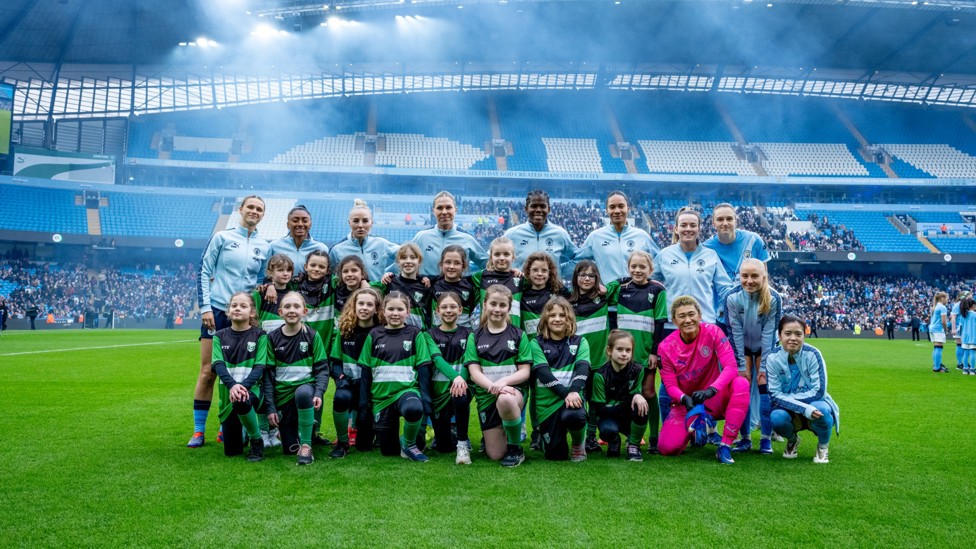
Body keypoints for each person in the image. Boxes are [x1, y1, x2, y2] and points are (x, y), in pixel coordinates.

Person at [189, 195, 270, 448]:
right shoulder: (222, 237)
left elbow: (261, 280)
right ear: (240, 209)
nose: (254, 211)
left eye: (259, 209)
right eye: (250, 207)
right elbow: (204, 271)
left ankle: (229, 426)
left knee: (242, 372)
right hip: (218, 309)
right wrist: (205, 308)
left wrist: (263, 292)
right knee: (208, 370)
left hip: (246, 315)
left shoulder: (264, 246)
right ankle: (199, 431)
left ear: (263, 215)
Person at [651, 207, 733, 424]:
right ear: (676, 228)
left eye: (692, 225)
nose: (688, 229)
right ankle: (669, 426)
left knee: (706, 378)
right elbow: (651, 283)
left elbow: (725, 288)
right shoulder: (665, 255)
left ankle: (707, 427)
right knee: (668, 382)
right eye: (684, 225)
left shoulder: (710, 256)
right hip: (672, 327)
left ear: (699, 228)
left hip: (705, 326)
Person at [657, 295, 750, 464]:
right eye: (682, 316)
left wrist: (711, 390)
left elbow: (731, 367)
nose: (688, 320)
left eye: (691, 314)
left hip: (714, 398)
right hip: (688, 404)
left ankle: (725, 445)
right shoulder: (665, 347)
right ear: (674, 321)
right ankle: (697, 426)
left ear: (700, 315)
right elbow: (669, 385)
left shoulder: (713, 332)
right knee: (667, 448)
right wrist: (684, 398)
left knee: (741, 384)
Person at [358, 292, 434, 462]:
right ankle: (401, 440)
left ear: (408, 312)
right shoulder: (374, 334)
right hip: (382, 398)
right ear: (383, 311)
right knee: (389, 451)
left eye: (400, 309)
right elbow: (365, 371)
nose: (395, 313)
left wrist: (426, 398)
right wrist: (364, 402)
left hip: (406, 391)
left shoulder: (415, 333)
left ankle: (409, 444)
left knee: (413, 408)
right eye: (391, 309)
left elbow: (423, 368)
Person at [463, 285, 534, 467]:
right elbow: (474, 372)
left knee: (505, 400)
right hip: (487, 394)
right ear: (485, 304)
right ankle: (505, 427)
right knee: (495, 455)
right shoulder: (475, 336)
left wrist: (503, 383)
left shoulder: (518, 335)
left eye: (502, 305)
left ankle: (515, 448)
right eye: (493, 304)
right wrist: (492, 387)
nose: (497, 309)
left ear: (509, 308)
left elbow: (525, 371)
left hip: (513, 392)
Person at [724, 258, 783, 453]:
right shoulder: (732, 297)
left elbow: (769, 334)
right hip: (742, 349)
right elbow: (735, 333)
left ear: (764, 277)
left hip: (764, 348)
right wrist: (742, 365)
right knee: (742, 388)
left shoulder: (773, 298)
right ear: (739, 276)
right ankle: (745, 438)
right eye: (745, 276)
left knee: (764, 387)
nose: (749, 281)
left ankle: (766, 439)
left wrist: (764, 367)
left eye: (754, 276)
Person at [264, 292, 329, 465]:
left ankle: (307, 446)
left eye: (296, 306)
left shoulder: (313, 336)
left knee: (302, 393)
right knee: (290, 449)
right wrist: (271, 407)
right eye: (287, 306)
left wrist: (319, 392)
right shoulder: (271, 338)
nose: (292, 310)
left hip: (305, 390)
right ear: (280, 312)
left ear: (304, 311)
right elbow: (268, 376)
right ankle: (304, 427)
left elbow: (322, 369)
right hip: (283, 397)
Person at [765, 315, 840, 464]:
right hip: (790, 407)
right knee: (777, 417)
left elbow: (819, 391)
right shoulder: (772, 358)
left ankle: (822, 446)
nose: (793, 338)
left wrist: (794, 401)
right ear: (779, 335)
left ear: (804, 336)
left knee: (822, 410)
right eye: (788, 333)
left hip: (814, 402)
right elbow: (774, 395)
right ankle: (793, 440)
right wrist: (804, 409)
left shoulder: (813, 354)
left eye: (798, 334)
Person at [210, 291, 269, 461]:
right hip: (228, 393)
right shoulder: (219, 336)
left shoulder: (260, 335)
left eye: (243, 306)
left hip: (252, 390)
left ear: (252, 312)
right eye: (234, 305)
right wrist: (233, 386)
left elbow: (260, 366)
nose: (237, 308)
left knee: (242, 400)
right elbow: (218, 365)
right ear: (228, 311)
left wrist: (242, 387)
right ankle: (244, 429)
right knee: (232, 451)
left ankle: (256, 441)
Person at [529, 298, 590, 462]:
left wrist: (574, 391)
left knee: (576, 416)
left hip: (572, 400)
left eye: (562, 315)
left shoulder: (580, 341)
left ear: (569, 318)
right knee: (556, 456)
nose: (557, 319)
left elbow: (583, 370)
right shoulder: (536, 343)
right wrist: (566, 393)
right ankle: (547, 438)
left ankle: (578, 444)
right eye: (552, 315)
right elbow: (543, 374)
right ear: (545, 319)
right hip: (547, 406)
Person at [329, 288, 383, 458]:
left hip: (372, 388)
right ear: (354, 306)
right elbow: (335, 362)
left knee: (364, 446)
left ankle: (375, 431)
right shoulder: (345, 330)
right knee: (340, 398)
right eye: (361, 303)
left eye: (369, 304)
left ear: (377, 309)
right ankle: (342, 442)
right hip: (350, 384)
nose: (364, 308)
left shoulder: (381, 332)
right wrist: (340, 378)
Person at [703, 203, 770, 329]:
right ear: (713, 223)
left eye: (729, 218)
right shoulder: (706, 248)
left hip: (753, 313)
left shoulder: (753, 240)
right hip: (722, 316)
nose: (725, 223)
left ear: (736, 221)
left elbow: (764, 278)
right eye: (720, 219)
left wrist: (764, 307)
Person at [425, 291, 474, 464]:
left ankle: (463, 443)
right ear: (437, 311)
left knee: (460, 395)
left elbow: (469, 360)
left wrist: (461, 380)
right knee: (444, 447)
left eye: (453, 307)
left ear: (460, 310)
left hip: (462, 386)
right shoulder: (429, 334)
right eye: (444, 307)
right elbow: (437, 360)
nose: (448, 310)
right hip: (439, 391)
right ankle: (449, 436)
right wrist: (456, 378)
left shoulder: (469, 334)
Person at [575, 191, 659, 282]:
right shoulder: (595, 237)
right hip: (608, 290)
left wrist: (647, 282)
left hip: (637, 291)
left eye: (621, 206)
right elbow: (576, 263)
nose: (617, 211)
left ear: (628, 209)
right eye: (612, 207)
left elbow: (659, 263)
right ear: (607, 211)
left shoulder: (642, 236)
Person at [591, 330, 649, 462]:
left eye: (628, 350)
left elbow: (635, 391)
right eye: (619, 349)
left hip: (627, 414)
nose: (624, 354)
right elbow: (600, 409)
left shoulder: (638, 370)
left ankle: (633, 445)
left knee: (642, 405)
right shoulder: (600, 375)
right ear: (609, 351)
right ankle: (614, 440)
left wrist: (638, 395)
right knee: (607, 430)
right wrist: (627, 403)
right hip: (609, 416)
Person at [504, 189, 578, 280]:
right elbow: (493, 258)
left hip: (552, 288)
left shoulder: (560, 234)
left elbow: (577, 259)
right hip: (521, 288)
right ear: (526, 209)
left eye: (543, 206)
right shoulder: (512, 234)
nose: (538, 210)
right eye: (534, 206)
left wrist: (559, 270)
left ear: (549, 209)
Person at [412, 191, 488, 277]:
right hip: (429, 285)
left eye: (448, 207)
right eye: (440, 208)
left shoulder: (467, 238)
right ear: (433, 211)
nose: (444, 212)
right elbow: (403, 261)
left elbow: (486, 264)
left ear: (455, 210)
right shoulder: (421, 237)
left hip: (458, 286)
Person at [329, 199, 399, 281]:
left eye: (365, 221)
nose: (360, 225)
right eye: (356, 221)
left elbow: (407, 256)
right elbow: (329, 277)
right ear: (349, 222)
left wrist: (390, 273)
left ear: (371, 223)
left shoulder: (381, 243)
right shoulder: (337, 250)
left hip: (377, 290)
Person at [378, 243, 434, 329]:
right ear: (398, 262)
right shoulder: (389, 282)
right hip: (394, 334)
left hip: (418, 334)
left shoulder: (425, 285)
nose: (408, 261)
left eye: (412, 257)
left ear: (419, 261)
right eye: (404, 258)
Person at [472, 236, 524, 327]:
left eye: (506, 254)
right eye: (497, 254)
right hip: (486, 332)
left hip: (514, 332)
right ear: (491, 257)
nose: (502, 258)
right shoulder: (480, 277)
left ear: (513, 257)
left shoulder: (520, 279)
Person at [519, 252, 569, 339]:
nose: (539, 273)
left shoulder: (559, 291)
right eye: (535, 270)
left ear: (550, 273)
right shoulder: (521, 293)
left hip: (554, 343)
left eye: (544, 270)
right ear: (528, 272)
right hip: (530, 343)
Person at [429, 245, 479, 329]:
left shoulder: (470, 287)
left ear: (463, 266)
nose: (452, 266)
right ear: (441, 264)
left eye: (457, 263)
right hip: (437, 334)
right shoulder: (433, 284)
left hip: (464, 334)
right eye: (448, 262)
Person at [269, 205, 329, 276]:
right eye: (295, 221)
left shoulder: (321, 248)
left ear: (310, 224)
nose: (300, 224)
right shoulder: (274, 246)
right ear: (288, 225)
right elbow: (267, 273)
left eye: (305, 221)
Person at [929, 292, 949, 373]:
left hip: (932, 328)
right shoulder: (942, 307)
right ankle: (937, 367)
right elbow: (943, 321)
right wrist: (946, 329)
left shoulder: (935, 306)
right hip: (938, 329)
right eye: (946, 298)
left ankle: (936, 365)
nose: (947, 300)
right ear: (942, 298)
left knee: (936, 347)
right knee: (939, 348)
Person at [960, 296, 976, 375]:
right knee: (972, 353)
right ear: (973, 305)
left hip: (964, 337)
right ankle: (972, 369)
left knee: (965, 353)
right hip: (973, 336)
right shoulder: (974, 315)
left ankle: (965, 369)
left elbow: (961, 326)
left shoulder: (963, 315)